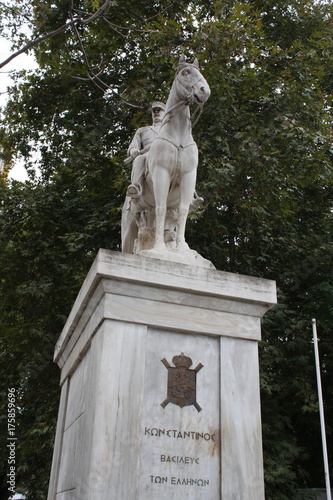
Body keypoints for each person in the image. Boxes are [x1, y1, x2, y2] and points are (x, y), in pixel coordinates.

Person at [126, 101, 166, 198]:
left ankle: (191, 195)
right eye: (154, 111)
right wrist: (133, 151)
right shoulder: (143, 130)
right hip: (148, 154)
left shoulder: (170, 130)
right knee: (140, 159)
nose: (156, 112)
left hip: (167, 153)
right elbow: (133, 146)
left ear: (165, 113)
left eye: (159, 110)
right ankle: (136, 187)